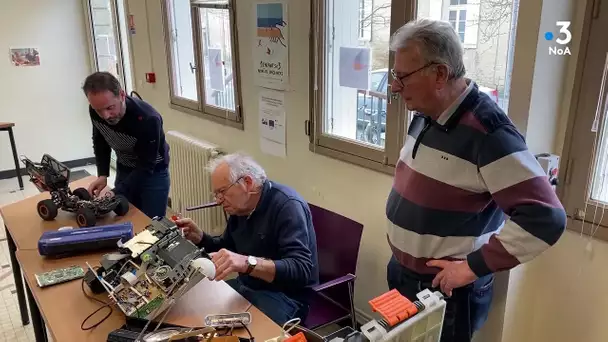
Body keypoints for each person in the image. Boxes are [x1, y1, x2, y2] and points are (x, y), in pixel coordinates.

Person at [385, 18, 566, 342]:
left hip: (444, 289)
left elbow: (546, 217)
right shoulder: (427, 113)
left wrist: (471, 268)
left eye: (402, 77)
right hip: (404, 274)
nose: (395, 87)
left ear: (439, 74)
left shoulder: (489, 132)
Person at [176, 153, 319, 326]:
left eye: (222, 192)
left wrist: (247, 263)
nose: (219, 201)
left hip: (285, 297)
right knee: (197, 310)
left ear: (248, 183)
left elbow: (301, 269)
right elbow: (228, 248)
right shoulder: (241, 208)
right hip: (249, 286)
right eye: (216, 194)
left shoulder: (287, 206)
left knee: (244, 334)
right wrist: (201, 238)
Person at [82, 72, 170, 219]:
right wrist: (103, 174)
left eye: (110, 108)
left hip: (153, 173)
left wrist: (116, 191)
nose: (105, 116)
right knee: (123, 217)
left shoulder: (148, 119)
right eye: (99, 110)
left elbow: (146, 166)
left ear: (122, 95)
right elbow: (100, 140)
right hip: (125, 168)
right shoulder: (95, 111)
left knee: (151, 225)